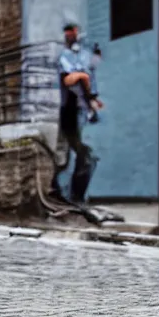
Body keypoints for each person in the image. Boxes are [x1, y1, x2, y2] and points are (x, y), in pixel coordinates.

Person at [51, 23, 103, 204]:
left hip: (79, 110)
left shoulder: (82, 59)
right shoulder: (66, 57)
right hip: (70, 110)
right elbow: (69, 79)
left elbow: (86, 79)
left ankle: (74, 196)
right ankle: (63, 193)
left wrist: (91, 100)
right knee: (68, 154)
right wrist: (83, 78)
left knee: (83, 155)